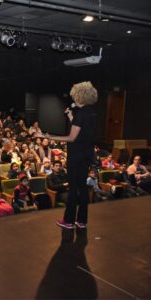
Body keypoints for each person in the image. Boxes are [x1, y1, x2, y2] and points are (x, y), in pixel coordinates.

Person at [37, 81, 98, 229]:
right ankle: (82, 221)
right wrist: (71, 117)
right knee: (82, 188)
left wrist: (48, 136)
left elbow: (71, 138)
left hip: (76, 156)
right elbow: (81, 130)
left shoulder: (81, 114)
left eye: (75, 95)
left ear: (80, 96)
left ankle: (69, 221)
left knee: (72, 188)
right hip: (86, 155)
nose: (73, 98)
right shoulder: (91, 112)